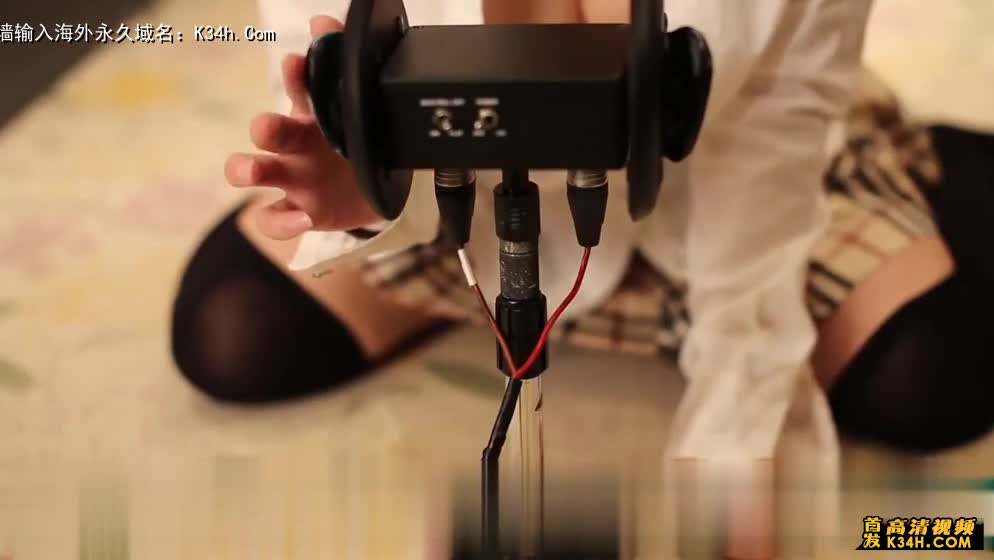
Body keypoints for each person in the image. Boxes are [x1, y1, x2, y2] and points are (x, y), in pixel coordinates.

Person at [172, 0, 994, 464]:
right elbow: (323, 67)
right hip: (448, 205)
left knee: (929, 377)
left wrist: (731, 432)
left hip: (722, 175)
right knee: (236, 332)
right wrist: (363, 181)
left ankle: (926, 155)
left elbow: (773, 134)